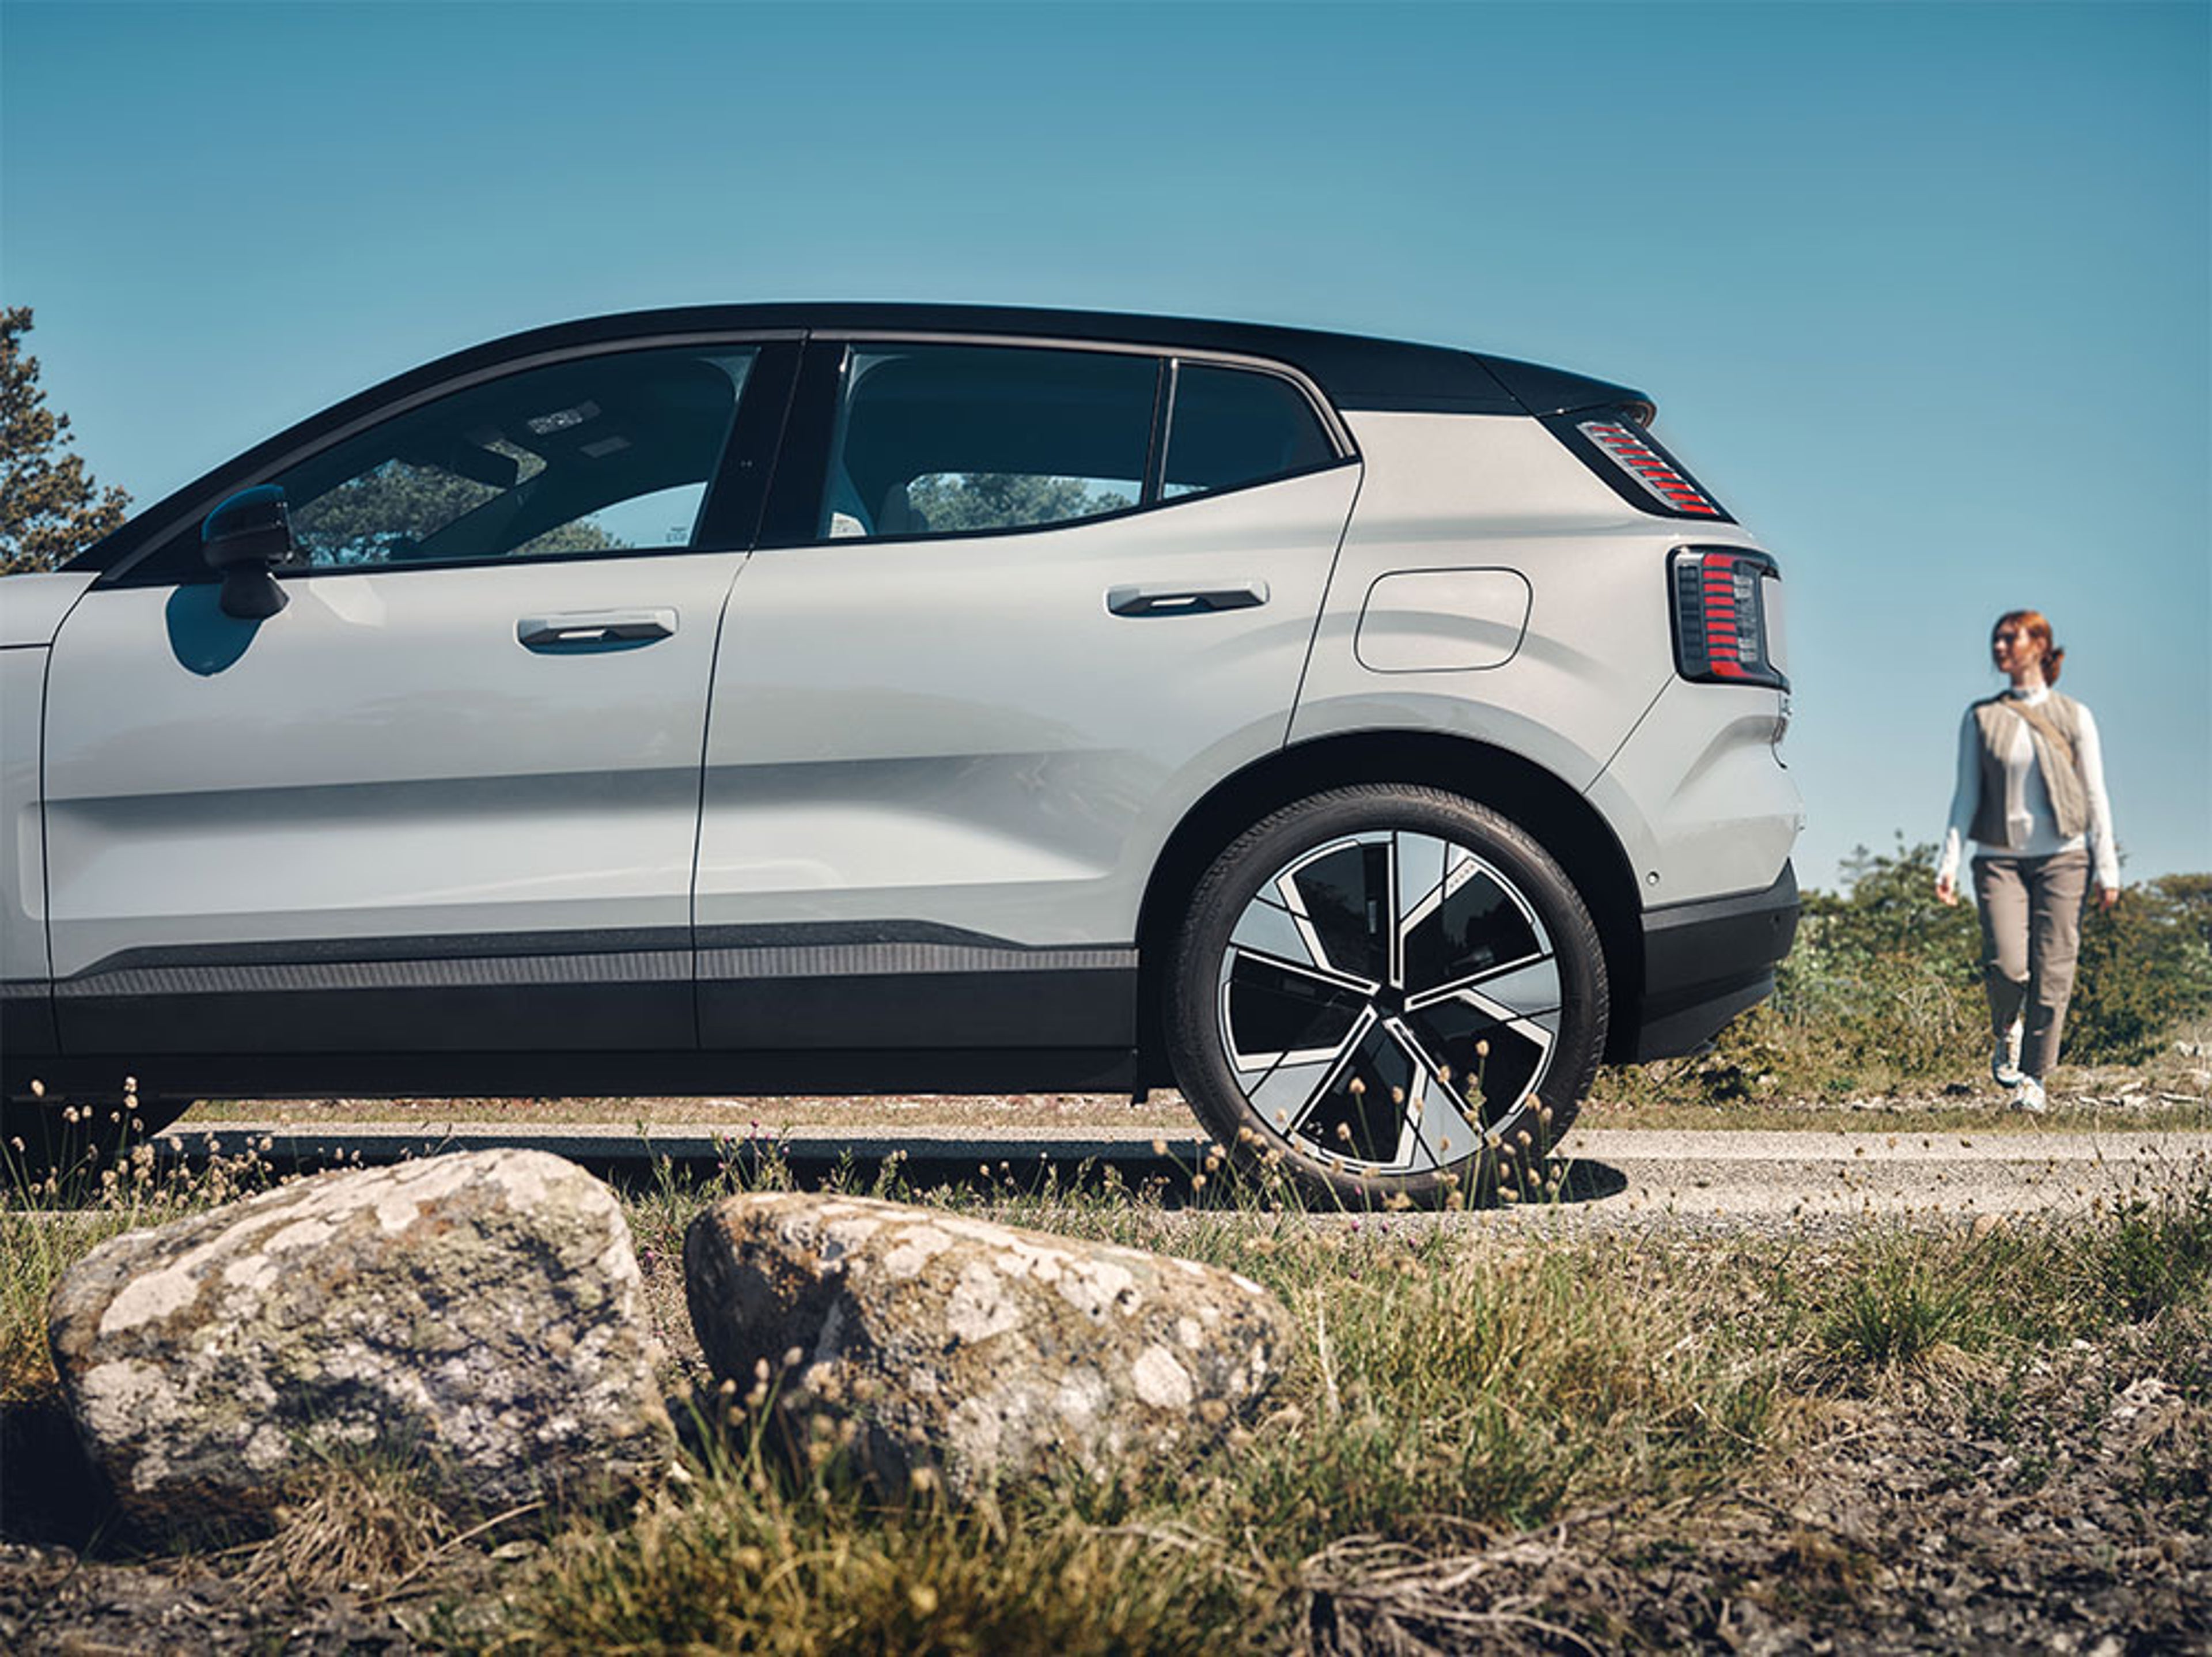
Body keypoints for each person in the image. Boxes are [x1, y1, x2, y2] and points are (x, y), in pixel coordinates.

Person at [1935, 610, 2119, 1111]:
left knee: (2054, 968)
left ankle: (2035, 1081)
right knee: (2008, 966)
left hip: (2064, 856)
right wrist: (1947, 863)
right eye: (1996, 639)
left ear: (2039, 646)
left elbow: (2095, 793)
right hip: (1998, 858)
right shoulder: (1981, 717)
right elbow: (1965, 795)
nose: (1999, 647)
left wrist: (2108, 868)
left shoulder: (2074, 715)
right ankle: (2006, 1028)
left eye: (2010, 638)